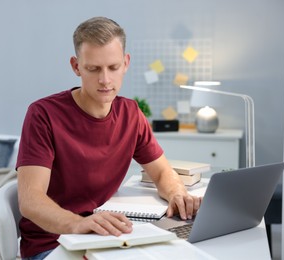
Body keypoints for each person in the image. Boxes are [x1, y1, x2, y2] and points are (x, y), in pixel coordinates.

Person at [16, 16, 202, 259]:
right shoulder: (43, 114)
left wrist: (177, 192)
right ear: (76, 66)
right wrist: (78, 225)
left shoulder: (131, 113)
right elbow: (30, 200)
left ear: (126, 63)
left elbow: (161, 172)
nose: (105, 80)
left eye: (113, 67)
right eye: (93, 69)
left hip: (106, 235)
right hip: (54, 244)